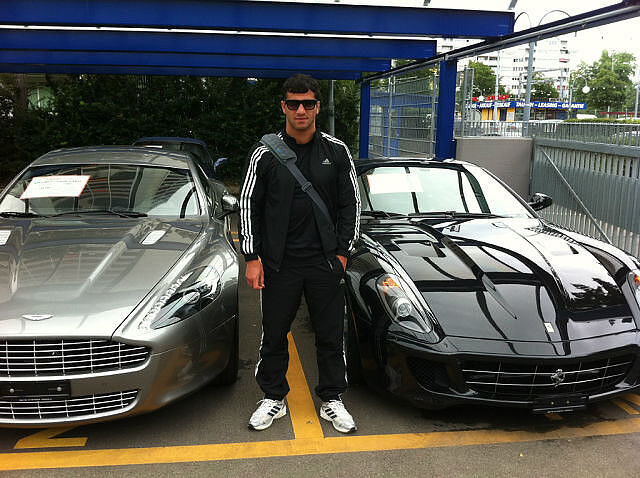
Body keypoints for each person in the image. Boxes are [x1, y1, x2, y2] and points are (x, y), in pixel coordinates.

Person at [239, 74, 360, 433]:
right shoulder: (265, 153)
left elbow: (351, 205)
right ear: (284, 107)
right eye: (293, 103)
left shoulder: (336, 151)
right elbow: (248, 204)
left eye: (308, 103)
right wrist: (252, 257)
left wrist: (343, 254)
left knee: (330, 335)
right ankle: (273, 397)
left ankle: (332, 399)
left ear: (318, 106)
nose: (301, 110)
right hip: (279, 264)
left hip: (325, 262)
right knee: (274, 334)